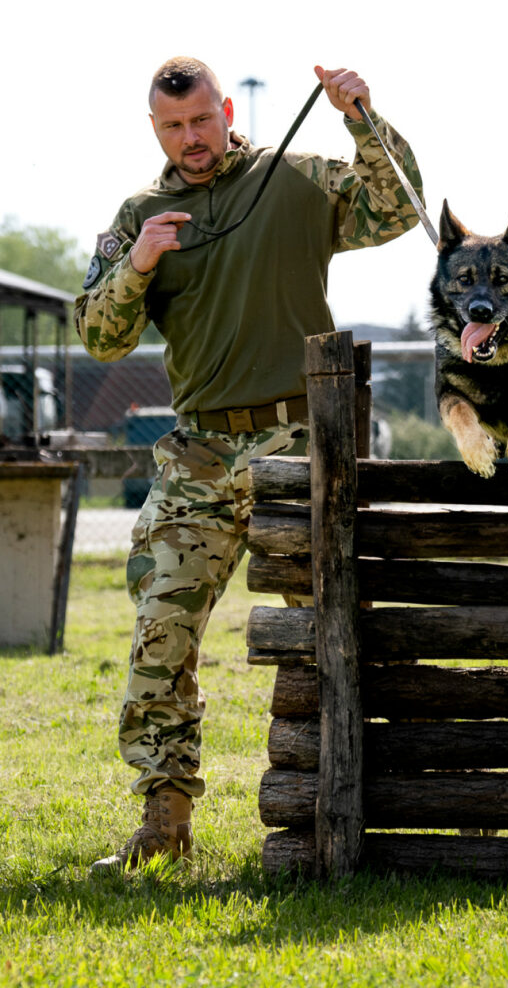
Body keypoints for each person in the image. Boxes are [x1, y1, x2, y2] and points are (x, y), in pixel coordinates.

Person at [75, 57, 424, 871]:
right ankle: (164, 826)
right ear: (154, 129)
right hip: (197, 455)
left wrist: (360, 115)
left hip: (297, 444)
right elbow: (99, 335)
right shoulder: (142, 213)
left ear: (226, 110)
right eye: (173, 128)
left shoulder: (295, 180)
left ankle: (337, 817)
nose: (191, 140)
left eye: (201, 121)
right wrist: (137, 269)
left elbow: (395, 206)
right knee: (159, 635)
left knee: (323, 633)